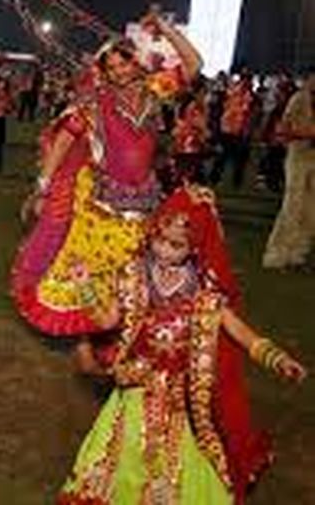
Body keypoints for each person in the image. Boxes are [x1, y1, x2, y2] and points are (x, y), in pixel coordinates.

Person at [58, 187, 306, 504]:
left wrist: (278, 360)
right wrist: (84, 285)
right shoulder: (135, 276)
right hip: (135, 386)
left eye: (175, 245)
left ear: (193, 248)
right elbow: (107, 321)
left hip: (176, 398)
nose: (163, 250)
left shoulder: (203, 295)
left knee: (173, 455)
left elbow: (241, 333)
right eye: (159, 239)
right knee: (124, 446)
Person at [12, 9, 201, 338]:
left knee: (132, 262)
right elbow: (64, 141)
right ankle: (88, 331)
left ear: (135, 62)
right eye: (110, 67)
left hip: (143, 197)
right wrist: (42, 185)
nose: (118, 72)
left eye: (123, 63)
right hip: (101, 199)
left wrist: (166, 29)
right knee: (88, 262)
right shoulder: (94, 102)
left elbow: (194, 64)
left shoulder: (156, 90)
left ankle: (116, 328)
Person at [262, 71, 315, 270]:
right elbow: (282, 129)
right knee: (293, 205)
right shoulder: (299, 99)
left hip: (312, 157)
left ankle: (298, 255)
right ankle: (277, 255)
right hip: (299, 155)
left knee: (311, 210)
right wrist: (306, 133)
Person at [210, 72, 256, 190]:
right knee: (225, 156)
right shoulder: (236, 92)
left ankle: (234, 181)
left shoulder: (246, 94)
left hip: (237, 130)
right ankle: (217, 179)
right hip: (230, 129)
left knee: (237, 158)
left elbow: (248, 114)